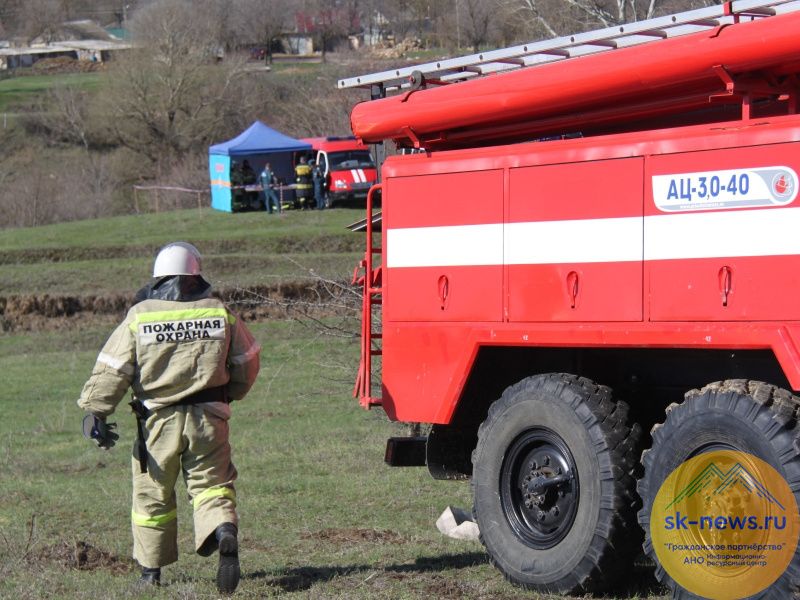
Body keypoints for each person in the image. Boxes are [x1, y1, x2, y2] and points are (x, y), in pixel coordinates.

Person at [77, 242, 261, 594]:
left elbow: (114, 368)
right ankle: (223, 529)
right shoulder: (220, 313)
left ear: (158, 278)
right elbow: (248, 360)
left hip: (157, 423)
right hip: (209, 418)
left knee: (153, 495)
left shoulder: (140, 316)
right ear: (196, 276)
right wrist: (230, 393)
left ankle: (151, 573)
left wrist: (95, 411)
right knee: (212, 484)